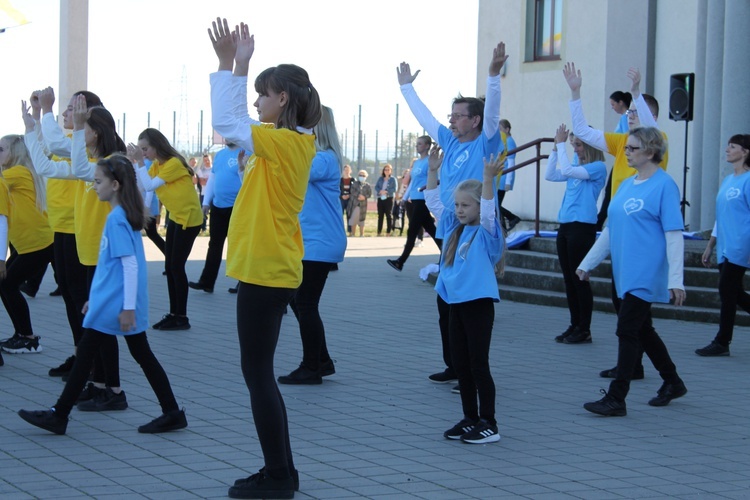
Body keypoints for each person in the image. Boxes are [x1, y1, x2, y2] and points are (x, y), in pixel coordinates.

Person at [209, 18, 322, 498]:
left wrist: (232, 64)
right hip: (267, 268)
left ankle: (278, 477)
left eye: (263, 94)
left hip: (269, 271)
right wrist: (233, 67)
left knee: (257, 375)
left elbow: (228, 123)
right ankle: (283, 472)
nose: (257, 102)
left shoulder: (288, 142)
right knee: (258, 375)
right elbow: (234, 132)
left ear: (285, 100)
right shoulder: (282, 143)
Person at [17, 154, 187, 435]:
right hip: (110, 303)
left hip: (117, 305)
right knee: (132, 354)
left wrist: (128, 307)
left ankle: (59, 415)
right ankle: (171, 412)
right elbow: (113, 269)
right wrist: (95, 300)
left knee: (91, 355)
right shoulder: (120, 217)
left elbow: (129, 266)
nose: (94, 186)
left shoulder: (117, 220)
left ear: (116, 185)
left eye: (98, 181)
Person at [397, 41, 507, 387]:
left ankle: (473, 370)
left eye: (459, 115)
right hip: (450, 226)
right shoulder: (452, 141)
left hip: (476, 230)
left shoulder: (485, 141)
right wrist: (406, 88)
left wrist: (493, 76)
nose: (452, 119)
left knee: (467, 305)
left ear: (475, 120)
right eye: (452, 114)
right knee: (445, 302)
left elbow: (492, 113)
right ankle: (455, 364)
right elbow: (427, 118)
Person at [565, 64, 667, 379]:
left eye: (637, 111)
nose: (631, 114)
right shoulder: (623, 144)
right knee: (626, 307)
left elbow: (648, 126)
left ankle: (635, 376)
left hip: (643, 236)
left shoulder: (658, 142)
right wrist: (575, 92)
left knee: (631, 312)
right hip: (619, 230)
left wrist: (635, 93)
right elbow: (582, 130)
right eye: (630, 111)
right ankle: (640, 368)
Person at [576, 127, 687, 417]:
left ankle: (617, 397)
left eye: (633, 148)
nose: (626, 152)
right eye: (626, 148)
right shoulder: (626, 184)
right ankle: (673, 381)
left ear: (651, 152)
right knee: (642, 329)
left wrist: (677, 280)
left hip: (645, 272)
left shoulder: (665, 185)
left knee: (627, 329)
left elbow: (674, 234)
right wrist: (588, 263)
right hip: (623, 272)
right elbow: (610, 230)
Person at [424, 146, 504, 443]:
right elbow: (434, 203)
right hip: (454, 303)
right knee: (461, 364)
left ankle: (489, 423)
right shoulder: (455, 229)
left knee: (478, 364)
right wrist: (433, 172)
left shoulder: (486, 232)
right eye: (457, 205)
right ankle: (470, 417)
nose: (459, 210)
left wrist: (487, 178)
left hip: (477, 305)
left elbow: (488, 209)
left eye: (465, 206)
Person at [278, 106, 346, 385]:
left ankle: (311, 366)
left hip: (320, 242)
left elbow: (293, 169)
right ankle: (322, 360)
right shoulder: (319, 158)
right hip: (312, 241)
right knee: (300, 302)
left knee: (305, 303)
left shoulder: (323, 159)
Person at [129, 128, 203, 331]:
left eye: (145, 149)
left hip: (189, 220)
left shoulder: (172, 164)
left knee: (176, 267)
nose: (143, 153)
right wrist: (136, 163)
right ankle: (174, 314)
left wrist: (139, 162)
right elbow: (143, 186)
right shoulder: (157, 165)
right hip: (176, 219)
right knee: (170, 267)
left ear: (156, 145)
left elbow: (150, 185)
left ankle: (182, 317)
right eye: (141, 149)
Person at [545, 125, 607, 345]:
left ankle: (585, 328)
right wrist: (555, 148)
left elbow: (570, 172)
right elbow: (551, 174)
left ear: (590, 146)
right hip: (566, 226)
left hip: (583, 227)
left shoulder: (598, 167)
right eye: (573, 145)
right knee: (569, 279)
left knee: (579, 279)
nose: (576, 149)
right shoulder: (574, 166)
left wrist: (561, 144)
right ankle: (575, 324)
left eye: (578, 145)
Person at [695, 134, 750, 357]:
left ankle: (722, 342)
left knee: (727, 290)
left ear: (745, 152)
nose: (727, 150)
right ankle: (722, 341)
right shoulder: (728, 180)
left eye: (733, 146)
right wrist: (710, 245)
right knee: (734, 292)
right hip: (725, 245)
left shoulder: (748, 180)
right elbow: (722, 216)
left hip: (740, 243)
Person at [0, 134, 53, 355]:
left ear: (16, 153)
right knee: (5, 285)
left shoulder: (18, 173)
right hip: (31, 244)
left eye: (1, 149)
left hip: (38, 243)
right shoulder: (16, 174)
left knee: (7, 285)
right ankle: (22, 335)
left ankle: (29, 338)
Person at [189, 142, 243, 294]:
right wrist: (206, 202)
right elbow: (212, 178)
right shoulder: (220, 155)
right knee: (214, 245)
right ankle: (207, 282)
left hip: (238, 207)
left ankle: (244, 283)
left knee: (239, 245)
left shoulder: (247, 151)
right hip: (218, 206)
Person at [387, 135, 441, 271]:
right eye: (416, 144)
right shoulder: (416, 163)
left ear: (428, 146)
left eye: (420, 144)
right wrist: (404, 198)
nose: (417, 146)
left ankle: (401, 261)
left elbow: (435, 179)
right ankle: (447, 254)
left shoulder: (430, 161)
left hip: (423, 199)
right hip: (414, 200)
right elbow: (412, 183)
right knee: (431, 229)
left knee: (413, 230)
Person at [497, 119, 521, 231]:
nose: (499, 131)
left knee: (494, 205)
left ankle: (512, 218)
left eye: (501, 129)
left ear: (507, 129)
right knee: (495, 206)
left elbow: (511, 162)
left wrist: (508, 182)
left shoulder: (509, 142)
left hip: (503, 177)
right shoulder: (504, 141)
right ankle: (503, 227)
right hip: (498, 177)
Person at [374, 164, 397, 236]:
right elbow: (376, 187)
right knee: (380, 215)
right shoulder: (380, 179)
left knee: (388, 215)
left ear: (391, 171)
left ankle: (388, 231)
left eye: (388, 170)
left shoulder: (393, 179)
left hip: (389, 198)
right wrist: (380, 191)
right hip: (381, 198)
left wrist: (387, 191)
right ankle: (379, 231)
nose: (386, 171)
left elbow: (395, 189)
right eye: (385, 170)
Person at [348, 170, 372, 237]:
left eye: (363, 175)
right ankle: (353, 234)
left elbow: (369, 194)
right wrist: (359, 195)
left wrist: (364, 197)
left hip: (363, 205)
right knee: (354, 219)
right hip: (355, 204)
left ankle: (362, 234)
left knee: (362, 220)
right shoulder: (354, 184)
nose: (362, 177)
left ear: (366, 177)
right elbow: (352, 191)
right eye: (360, 175)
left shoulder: (367, 185)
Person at [340, 164, 353, 232]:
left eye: (348, 170)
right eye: (345, 170)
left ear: (350, 171)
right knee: (340, 214)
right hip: (342, 199)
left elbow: (354, 190)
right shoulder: (340, 180)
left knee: (349, 215)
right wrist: (341, 196)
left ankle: (350, 231)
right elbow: (337, 189)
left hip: (349, 200)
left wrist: (349, 195)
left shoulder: (353, 179)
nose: (346, 171)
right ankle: (341, 230)